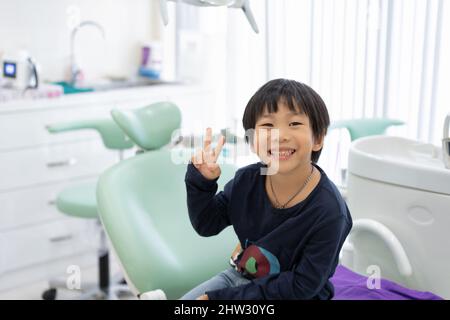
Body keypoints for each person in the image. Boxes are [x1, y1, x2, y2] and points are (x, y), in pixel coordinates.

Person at [182, 78, 352, 300]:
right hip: (240, 280)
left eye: (294, 124)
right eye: (268, 125)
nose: (280, 136)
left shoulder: (330, 212)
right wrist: (201, 182)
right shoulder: (247, 181)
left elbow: (302, 285)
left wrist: (221, 299)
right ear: (253, 141)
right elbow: (206, 224)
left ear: (318, 138)